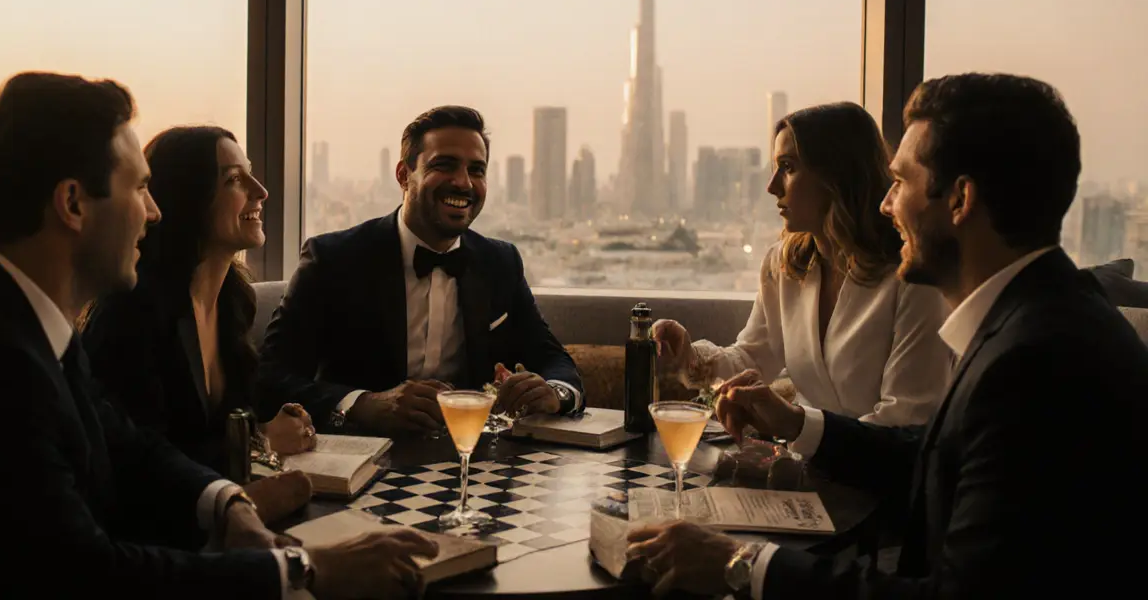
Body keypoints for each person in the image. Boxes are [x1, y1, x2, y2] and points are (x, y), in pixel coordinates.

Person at [0, 72, 436, 598]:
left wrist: (223, 500)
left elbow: (128, 443)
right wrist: (306, 570)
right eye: (139, 188)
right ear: (72, 203)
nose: (155, 212)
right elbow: (89, 575)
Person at [626, 73, 1148, 598]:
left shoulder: (1033, 362)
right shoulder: (1033, 323)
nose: (884, 204)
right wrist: (794, 423)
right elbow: (922, 456)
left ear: (960, 199)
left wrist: (744, 565)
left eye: (899, 183)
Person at [257, 105, 584, 436]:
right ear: (403, 175)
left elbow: (553, 359)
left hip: (475, 459)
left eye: (477, 170)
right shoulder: (332, 259)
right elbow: (269, 376)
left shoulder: (500, 262)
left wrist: (554, 393)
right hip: (358, 460)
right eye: (444, 165)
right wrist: (361, 404)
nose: (463, 183)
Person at [654, 102, 951, 426]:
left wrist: (800, 431)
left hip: (881, 470)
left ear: (836, 175)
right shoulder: (784, 265)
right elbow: (752, 356)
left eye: (788, 167)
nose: (772, 187)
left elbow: (905, 419)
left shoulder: (911, 277)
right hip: (804, 464)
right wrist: (687, 353)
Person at [82, 126, 316, 522]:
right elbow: (135, 462)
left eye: (252, 174)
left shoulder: (233, 302)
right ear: (186, 199)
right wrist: (259, 441)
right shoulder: (131, 313)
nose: (261, 191)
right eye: (234, 180)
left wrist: (274, 423)